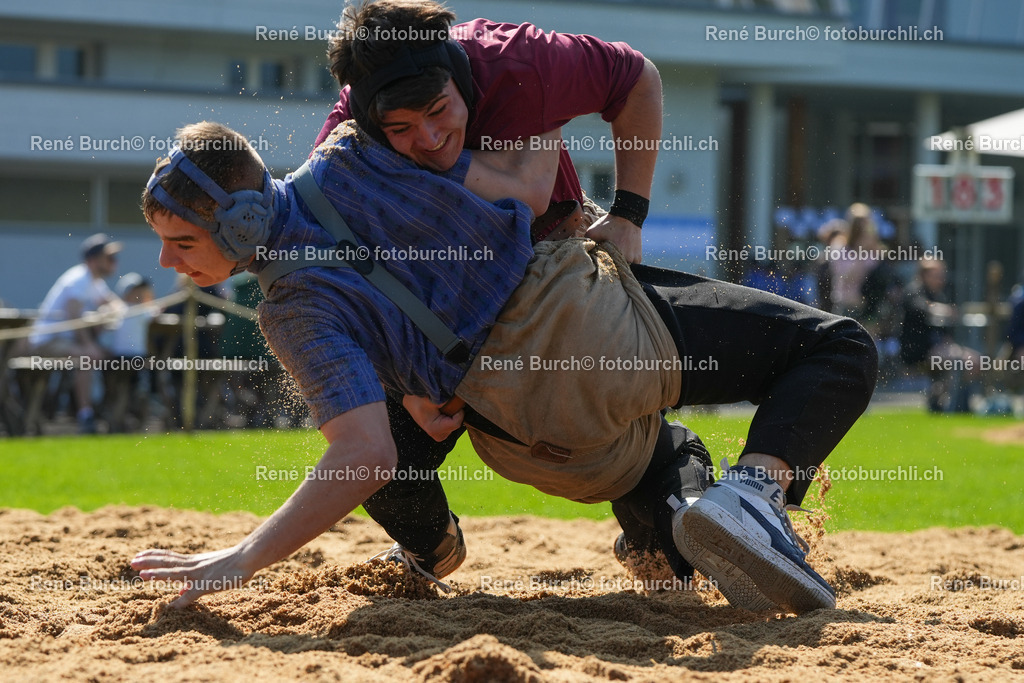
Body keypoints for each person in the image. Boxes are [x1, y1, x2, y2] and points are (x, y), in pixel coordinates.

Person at [131, 121, 876, 615]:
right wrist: (607, 208)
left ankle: (441, 544)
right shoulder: (357, 149)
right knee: (839, 347)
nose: (166, 261)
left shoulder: (290, 307)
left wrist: (243, 556)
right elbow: (535, 101)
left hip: (519, 438)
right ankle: (741, 498)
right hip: (581, 328)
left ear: (243, 224)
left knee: (385, 419)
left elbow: (365, 455)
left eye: (181, 243)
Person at [316, 0, 700, 581]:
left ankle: (664, 508)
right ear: (369, 117)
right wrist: (400, 381)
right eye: (400, 129)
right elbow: (343, 268)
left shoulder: (519, 59)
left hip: (555, 267)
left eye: (440, 111)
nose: (428, 137)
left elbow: (637, 77)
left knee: (617, 459)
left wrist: (629, 214)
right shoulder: (346, 139)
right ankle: (432, 547)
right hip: (440, 313)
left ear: (456, 73)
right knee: (376, 461)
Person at [27, 233, 123, 433]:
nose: (114, 262)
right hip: (47, 340)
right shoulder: (79, 279)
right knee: (88, 356)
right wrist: (89, 344)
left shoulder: (93, 281)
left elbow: (114, 303)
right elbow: (74, 319)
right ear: (93, 260)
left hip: (65, 341)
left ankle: (108, 412)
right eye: (109, 257)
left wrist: (107, 311)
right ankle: (85, 416)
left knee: (114, 357)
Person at [900, 258, 980, 412]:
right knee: (958, 360)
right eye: (936, 275)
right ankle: (946, 401)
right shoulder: (913, 291)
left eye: (942, 275)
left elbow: (946, 333)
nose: (941, 279)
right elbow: (921, 307)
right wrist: (944, 310)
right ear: (924, 276)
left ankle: (954, 400)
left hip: (940, 350)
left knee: (975, 362)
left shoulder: (940, 295)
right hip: (918, 352)